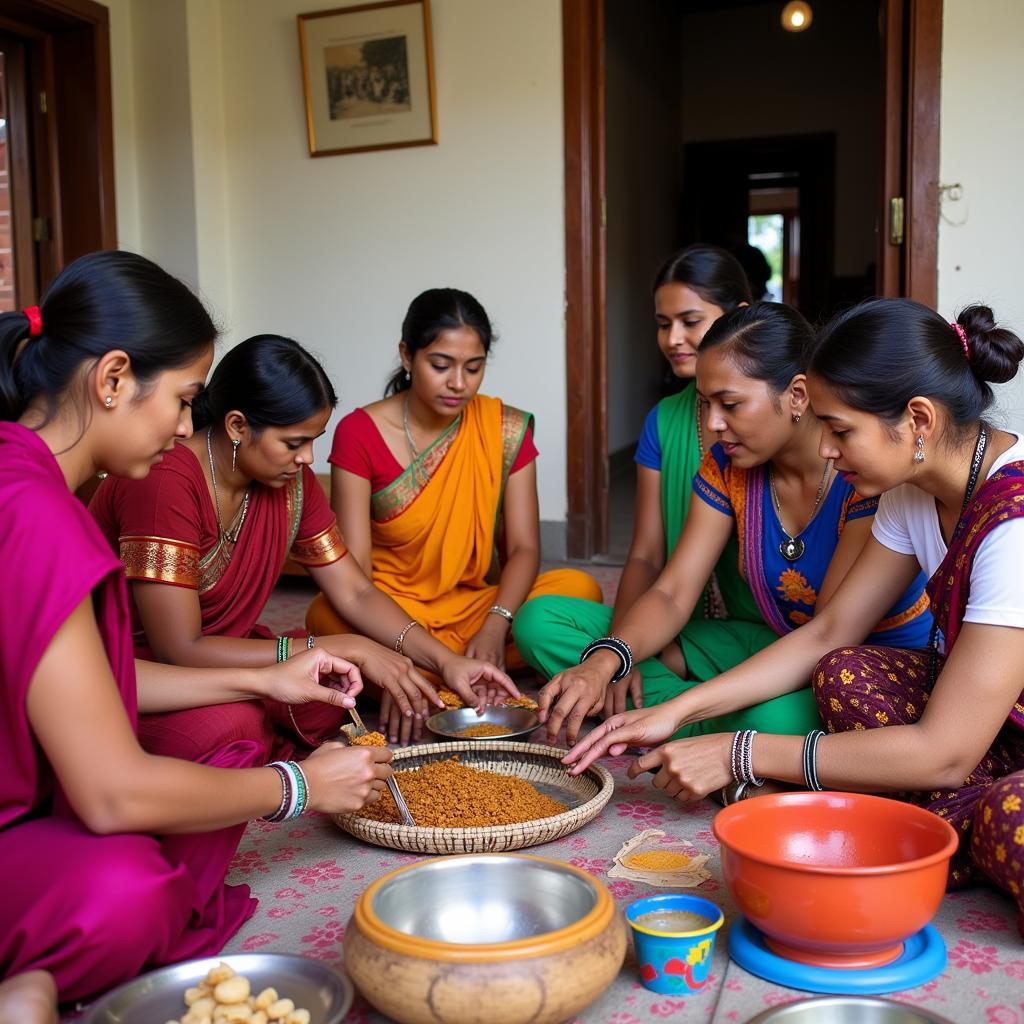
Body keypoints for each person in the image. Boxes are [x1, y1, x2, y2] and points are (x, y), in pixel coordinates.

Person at [0, 251, 395, 1001]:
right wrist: (297, 786)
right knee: (133, 890)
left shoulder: (26, 480)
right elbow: (111, 793)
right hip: (46, 802)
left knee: (235, 727)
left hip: (51, 777)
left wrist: (265, 671)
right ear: (113, 379)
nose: (185, 425)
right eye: (182, 398)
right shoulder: (39, 512)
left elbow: (92, 682)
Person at [564, 299, 1024, 935]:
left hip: (973, 741)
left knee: (1008, 818)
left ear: (917, 419)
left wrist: (741, 751)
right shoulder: (909, 491)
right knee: (843, 674)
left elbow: (945, 751)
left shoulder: (1015, 521)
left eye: (841, 430)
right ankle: (913, 811)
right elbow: (829, 632)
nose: (828, 451)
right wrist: (677, 712)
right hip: (987, 725)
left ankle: (935, 811)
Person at [527, 301, 933, 744]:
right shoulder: (728, 464)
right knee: (542, 622)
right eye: (706, 404)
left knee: (779, 717)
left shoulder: (864, 471)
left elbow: (827, 637)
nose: (715, 423)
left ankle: (681, 719)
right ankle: (718, 729)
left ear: (797, 395)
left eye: (731, 404)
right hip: (765, 641)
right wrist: (606, 660)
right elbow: (673, 591)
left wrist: (678, 707)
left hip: (846, 665)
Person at [91, 333, 520, 750]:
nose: (308, 458)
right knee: (235, 727)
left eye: (313, 440)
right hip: (141, 667)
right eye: (294, 443)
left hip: (224, 652)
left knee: (330, 691)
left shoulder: (290, 482)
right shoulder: (166, 480)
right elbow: (179, 648)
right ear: (238, 425)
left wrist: (445, 660)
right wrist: (338, 646)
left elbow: (354, 590)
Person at [515, 244, 765, 719]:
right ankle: (706, 720)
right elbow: (647, 554)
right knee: (539, 622)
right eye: (662, 323)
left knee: (794, 696)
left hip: (762, 636)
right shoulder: (663, 419)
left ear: (738, 317)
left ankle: (680, 713)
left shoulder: (772, 418)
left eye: (691, 321)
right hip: (675, 623)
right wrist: (619, 651)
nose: (673, 338)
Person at [305, 287, 602, 676]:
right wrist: (399, 638)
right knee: (324, 614)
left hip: (475, 605)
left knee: (580, 589)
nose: (459, 383)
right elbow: (355, 571)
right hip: (393, 608)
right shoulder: (359, 432)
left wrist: (496, 624)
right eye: (441, 365)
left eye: (473, 367)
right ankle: (444, 667)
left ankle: (430, 674)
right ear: (407, 355)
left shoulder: (504, 429)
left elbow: (525, 547)